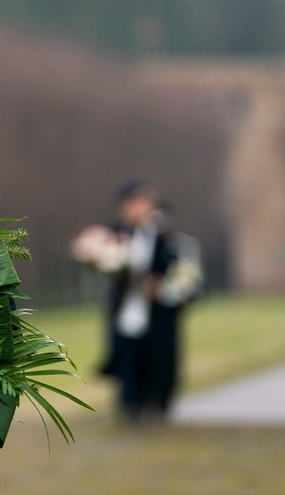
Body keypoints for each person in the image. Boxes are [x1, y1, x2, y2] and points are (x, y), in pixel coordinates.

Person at [83, 180, 201, 424]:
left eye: (139, 203)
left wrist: (162, 289)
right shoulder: (112, 239)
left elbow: (187, 282)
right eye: (129, 205)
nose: (133, 210)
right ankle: (130, 407)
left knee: (159, 364)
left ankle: (158, 407)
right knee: (126, 363)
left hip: (159, 318)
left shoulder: (172, 241)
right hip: (126, 316)